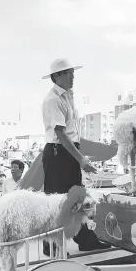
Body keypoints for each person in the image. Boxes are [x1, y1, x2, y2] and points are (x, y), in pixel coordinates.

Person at [41, 58, 108, 255]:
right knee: (57, 202)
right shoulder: (53, 99)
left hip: (66, 152)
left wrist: (77, 156)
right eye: (68, 72)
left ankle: (85, 239)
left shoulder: (66, 96)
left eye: (72, 72)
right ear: (56, 76)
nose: (72, 76)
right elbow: (61, 134)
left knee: (76, 198)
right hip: (58, 153)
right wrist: (80, 158)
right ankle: (51, 245)